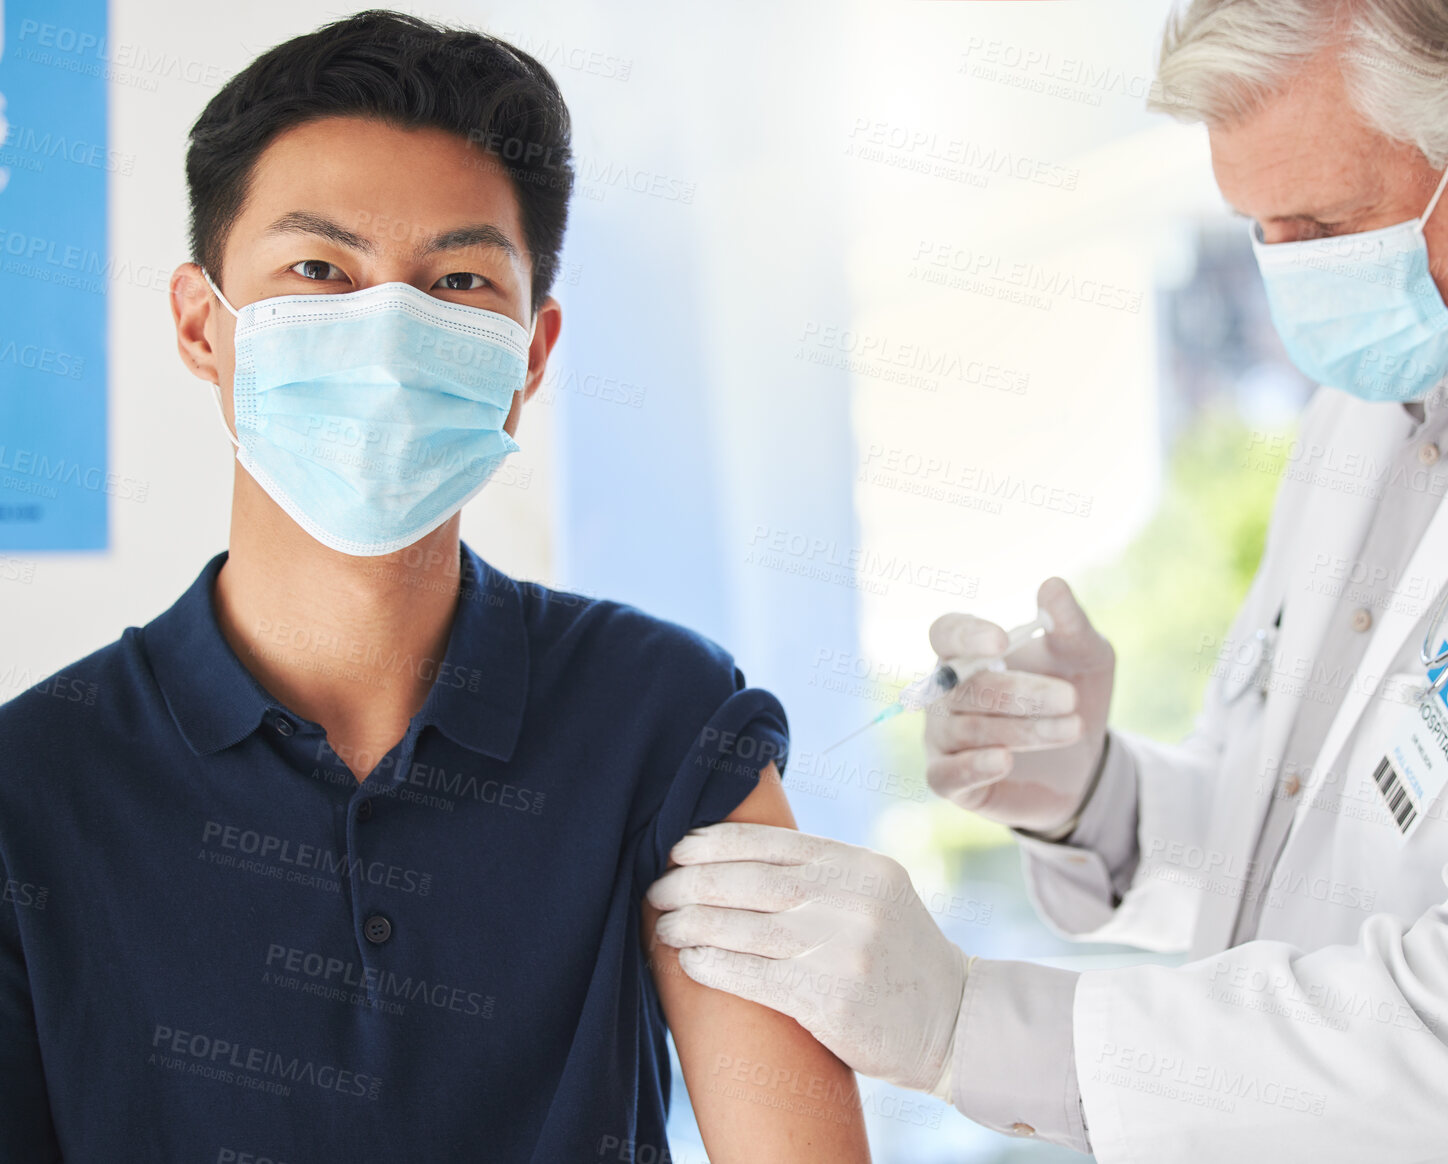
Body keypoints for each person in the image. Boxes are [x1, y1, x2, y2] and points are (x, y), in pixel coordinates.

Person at [646, 0, 1448, 1160]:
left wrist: (969, 1022)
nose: (1286, 281)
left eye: (1320, 227)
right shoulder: (1400, 376)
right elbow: (1296, 849)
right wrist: (1093, 795)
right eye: (1259, 229)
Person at [0, 11, 870, 1163]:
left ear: (532, 355)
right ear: (202, 324)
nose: (386, 331)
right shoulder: (33, 790)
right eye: (319, 270)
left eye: (458, 280)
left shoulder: (659, 716)